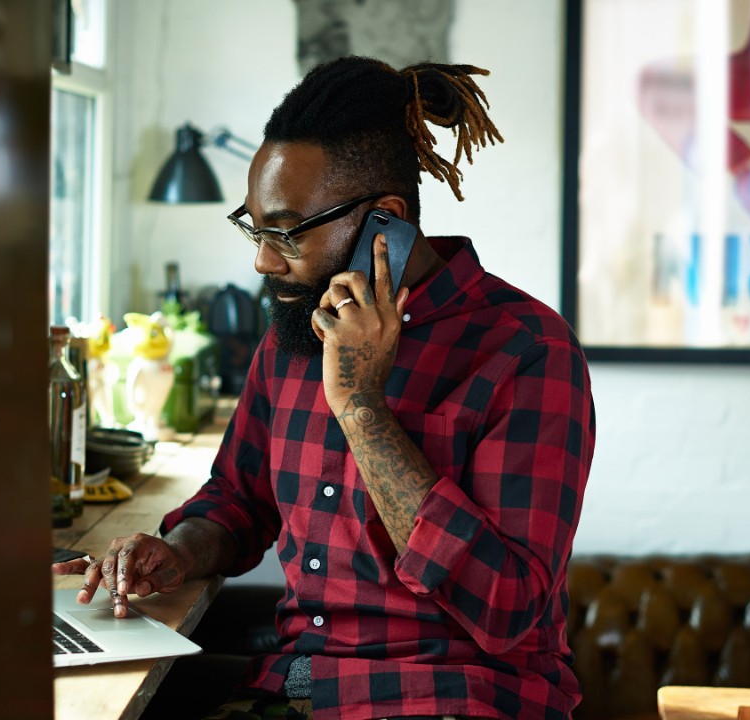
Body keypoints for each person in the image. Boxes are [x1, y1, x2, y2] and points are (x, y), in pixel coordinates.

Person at [54, 56, 596, 720]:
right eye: (254, 226)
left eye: (284, 232)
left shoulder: (526, 349)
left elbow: (507, 607)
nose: (262, 259)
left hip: (456, 697)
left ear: (385, 221)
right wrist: (177, 551)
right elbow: (237, 501)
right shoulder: (293, 334)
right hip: (297, 688)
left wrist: (363, 407)